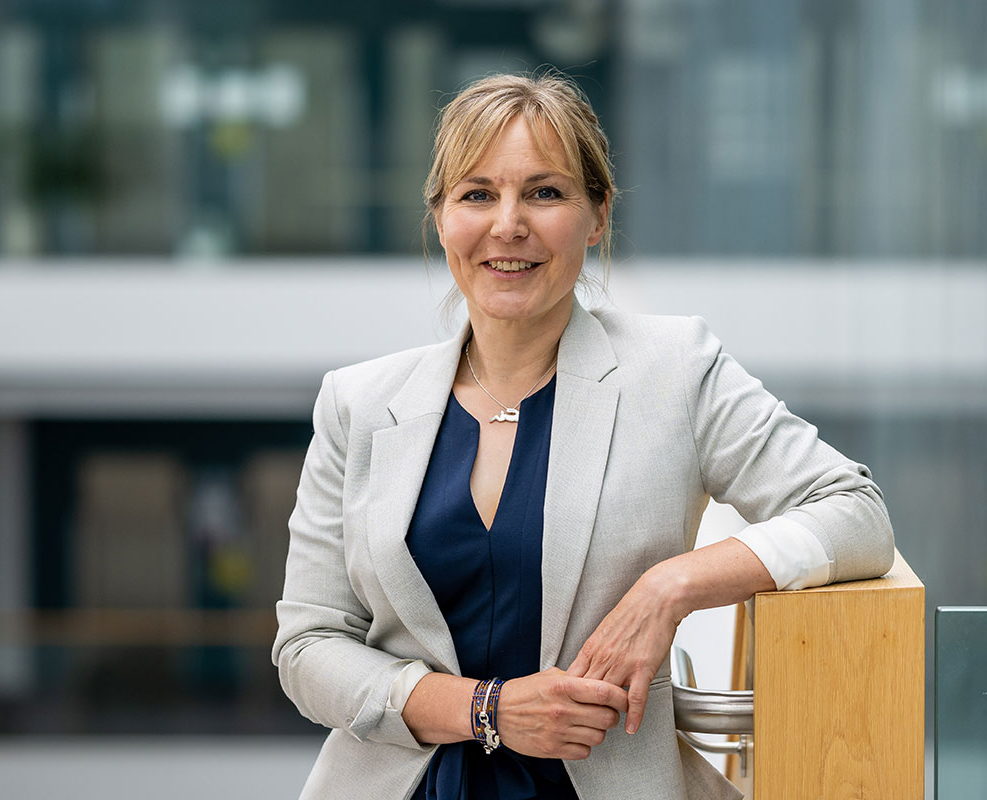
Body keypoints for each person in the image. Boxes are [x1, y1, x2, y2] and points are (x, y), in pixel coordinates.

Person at [272, 73, 894, 800]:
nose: (508, 224)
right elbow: (308, 649)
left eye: (544, 192)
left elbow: (857, 512)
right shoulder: (357, 404)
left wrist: (670, 587)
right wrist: (489, 711)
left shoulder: (676, 369)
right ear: (441, 220)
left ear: (597, 215)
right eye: (477, 194)